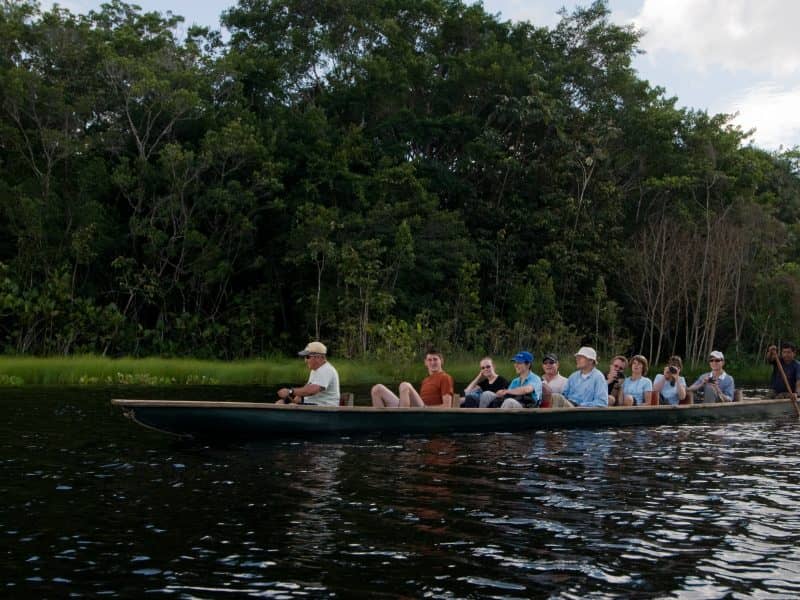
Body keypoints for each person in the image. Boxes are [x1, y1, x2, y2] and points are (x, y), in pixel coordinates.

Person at [371, 349, 454, 408]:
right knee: (377, 389)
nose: (432, 362)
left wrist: (428, 408)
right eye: (429, 360)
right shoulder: (425, 380)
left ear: (441, 361)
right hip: (416, 409)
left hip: (426, 411)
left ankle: (403, 421)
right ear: (425, 363)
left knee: (405, 386)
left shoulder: (445, 377)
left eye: (435, 359)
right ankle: (381, 422)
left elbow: (447, 406)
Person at [276, 341, 340, 406]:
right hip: (313, 406)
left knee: (290, 405)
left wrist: (290, 391)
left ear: (318, 357)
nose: (305, 360)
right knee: (280, 402)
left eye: (307, 357)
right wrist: (292, 399)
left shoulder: (326, 370)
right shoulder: (315, 370)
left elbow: (312, 390)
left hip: (324, 408)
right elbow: (306, 389)